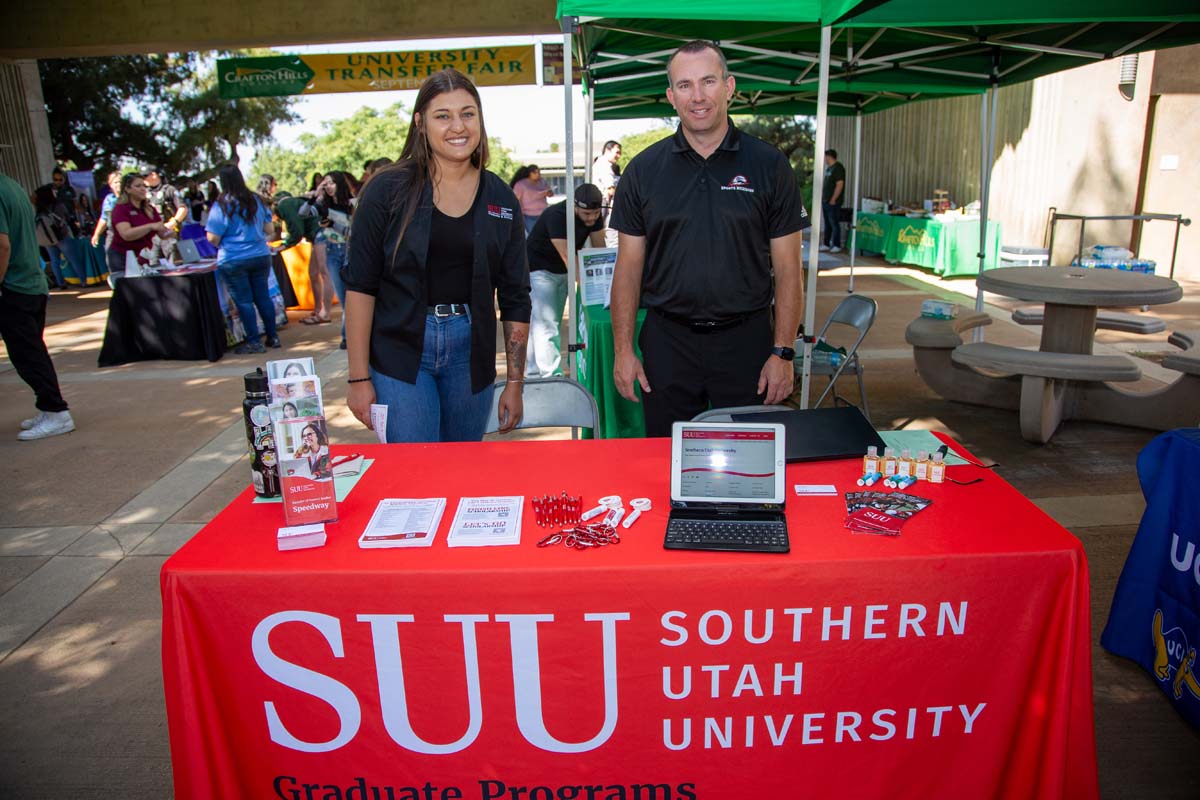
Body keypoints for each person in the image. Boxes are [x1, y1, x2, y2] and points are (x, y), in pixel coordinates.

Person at [608, 40, 807, 437]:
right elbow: (628, 270)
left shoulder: (770, 166)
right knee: (666, 464)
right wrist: (623, 351)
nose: (697, 96)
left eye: (708, 81)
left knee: (751, 468)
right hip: (668, 342)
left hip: (747, 341)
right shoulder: (643, 170)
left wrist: (782, 352)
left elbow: (788, 271)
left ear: (729, 87)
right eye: (684, 85)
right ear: (670, 95)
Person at [344, 68, 531, 443]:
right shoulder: (387, 191)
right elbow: (361, 287)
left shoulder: (501, 198)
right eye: (442, 116)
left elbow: (515, 296)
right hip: (400, 351)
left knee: (462, 471)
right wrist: (358, 377)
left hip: (470, 353)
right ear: (420, 123)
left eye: (467, 113)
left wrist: (514, 382)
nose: (457, 126)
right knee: (416, 476)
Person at [0, 171, 76, 441]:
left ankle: (55, 411)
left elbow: (2, 244)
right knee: (31, 350)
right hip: (30, 283)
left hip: (15, 286)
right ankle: (49, 407)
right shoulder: (12, 186)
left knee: (27, 354)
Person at [524, 184, 606, 378]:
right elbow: (567, 256)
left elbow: (599, 250)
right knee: (546, 324)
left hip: (562, 271)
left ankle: (534, 372)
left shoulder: (594, 216)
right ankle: (552, 376)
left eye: (595, 213)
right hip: (539, 270)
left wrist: (602, 279)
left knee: (545, 323)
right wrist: (589, 287)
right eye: (587, 214)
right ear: (574, 206)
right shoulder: (558, 215)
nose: (592, 218)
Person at [206, 164, 279, 355]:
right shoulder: (256, 200)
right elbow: (270, 230)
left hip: (233, 258)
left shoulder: (221, 204)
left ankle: (254, 341)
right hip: (260, 255)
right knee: (263, 297)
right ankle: (273, 336)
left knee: (244, 301)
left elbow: (212, 238)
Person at [299, 172, 354, 335]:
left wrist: (332, 224)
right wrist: (315, 195)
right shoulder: (323, 206)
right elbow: (302, 213)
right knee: (343, 297)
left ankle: (349, 334)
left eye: (331, 183)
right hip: (331, 250)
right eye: (326, 183)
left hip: (349, 250)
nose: (329, 186)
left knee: (351, 295)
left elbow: (353, 232)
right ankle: (346, 336)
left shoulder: (353, 204)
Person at [110, 172, 174, 278]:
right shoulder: (121, 209)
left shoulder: (149, 209)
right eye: (138, 186)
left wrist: (170, 231)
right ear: (127, 189)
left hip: (143, 257)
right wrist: (150, 226)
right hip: (123, 258)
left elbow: (163, 234)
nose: (143, 189)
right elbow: (126, 234)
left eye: (144, 186)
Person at [33, 168, 82, 288]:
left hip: (48, 237)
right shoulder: (57, 204)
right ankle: (83, 280)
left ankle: (61, 283)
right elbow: (67, 215)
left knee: (55, 260)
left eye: (60, 179)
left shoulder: (41, 210)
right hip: (61, 234)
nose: (58, 182)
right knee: (73, 258)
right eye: (56, 179)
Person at [143, 168, 188, 261]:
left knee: (173, 265)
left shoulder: (169, 190)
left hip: (169, 233)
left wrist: (174, 222)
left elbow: (183, 208)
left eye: (145, 176)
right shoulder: (144, 193)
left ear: (154, 175)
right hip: (153, 236)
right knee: (154, 265)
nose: (143, 179)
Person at [91, 171, 124, 286]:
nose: (118, 185)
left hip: (130, 236)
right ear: (110, 184)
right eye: (115, 182)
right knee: (114, 265)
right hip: (113, 236)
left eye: (120, 182)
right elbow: (104, 218)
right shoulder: (109, 199)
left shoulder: (130, 198)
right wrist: (96, 234)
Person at [591, 140, 622, 246]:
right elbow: (610, 189)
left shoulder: (603, 163)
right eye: (617, 152)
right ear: (607, 150)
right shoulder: (604, 164)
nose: (618, 156)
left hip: (604, 202)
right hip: (603, 202)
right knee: (609, 233)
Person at [511, 165, 553, 235]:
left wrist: (548, 193)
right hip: (529, 215)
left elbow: (551, 193)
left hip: (544, 213)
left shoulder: (542, 181)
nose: (538, 174)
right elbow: (516, 200)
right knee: (533, 234)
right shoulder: (521, 184)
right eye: (535, 172)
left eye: (539, 172)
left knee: (546, 234)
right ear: (530, 173)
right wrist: (519, 214)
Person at [820, 149, 847, 254]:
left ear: (829, 156)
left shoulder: (838, 168)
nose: (825, 159)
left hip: (833, 202)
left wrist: (833, 199)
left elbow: (840, 184)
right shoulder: (829, 169)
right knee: (827, 223)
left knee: (834, 223)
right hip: (825, 201)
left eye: (825, 156)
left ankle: (837, 244)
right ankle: (826, 243)